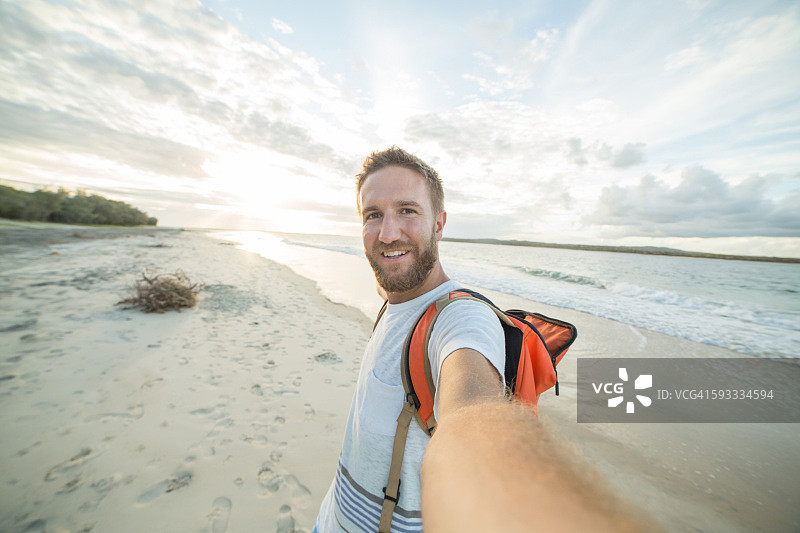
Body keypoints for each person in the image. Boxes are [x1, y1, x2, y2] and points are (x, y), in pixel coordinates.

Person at [314, 147, 653, 533]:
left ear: (439, 225)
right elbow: (390, 272)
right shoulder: (397, 297)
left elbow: (471, 416)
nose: (388, 233)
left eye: (407, 210)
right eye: (373, 215)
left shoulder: (461, 319)